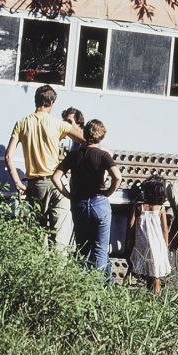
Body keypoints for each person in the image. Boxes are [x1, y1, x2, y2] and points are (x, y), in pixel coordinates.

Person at [5, 84, 84, 246]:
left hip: (34, 185)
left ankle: (40, 269)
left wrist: (18, 183)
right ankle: (58, 270)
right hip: (56, 183)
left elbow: (8, 156)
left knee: (38, 236)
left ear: (36, 101)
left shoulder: (21, 124)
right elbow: (86, 140)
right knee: (60, 235)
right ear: (52, 102)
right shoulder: (57, 124)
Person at [52, 119, 122, 278]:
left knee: (82, 248)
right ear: (102, 137)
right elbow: (117, 177)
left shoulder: (74, 155)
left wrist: (68, 194)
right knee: (100, 249)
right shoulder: (103, 155)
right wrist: (109, 192)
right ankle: (99, 288)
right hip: (99, 202)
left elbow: (56, 177)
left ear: (84, 134)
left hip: (79, 204)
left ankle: (83, 284)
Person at [127, 175, 171, 293]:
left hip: (142, 245)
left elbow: (130, 226)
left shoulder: (138, 207)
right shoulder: (161, 208)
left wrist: (130, 243)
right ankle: (155, 296)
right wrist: (165, 247)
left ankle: (147, 293)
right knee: (155, 274)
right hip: (157, 245)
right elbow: (165, 230)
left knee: (147, 273)